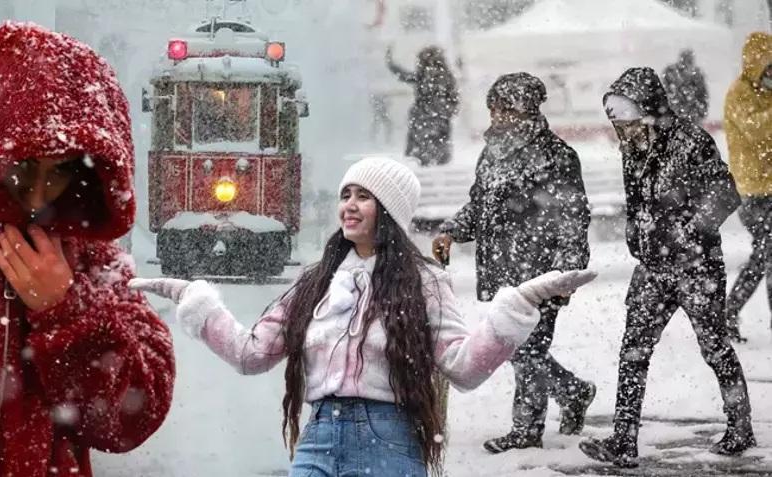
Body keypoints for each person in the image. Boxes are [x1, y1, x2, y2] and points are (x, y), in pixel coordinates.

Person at [131, 157, 596, 477]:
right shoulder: (317, 281)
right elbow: (251, 353)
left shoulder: (424, 281)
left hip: (388, 437)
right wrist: (193, 299)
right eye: (346, 194)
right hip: (317, 434)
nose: (349, 205)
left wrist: (518, 306)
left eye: (364, 196)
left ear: (389, 211)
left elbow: (465, 367)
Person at [0, 22, 175, 476]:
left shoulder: (89, 255)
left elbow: (134, 415)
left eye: (63, 170)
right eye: (22, 168)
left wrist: (67, 312)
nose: (38, 196)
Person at [579, 67, 754, 468]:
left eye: (630, 125)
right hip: (653, 268)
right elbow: (640, 201)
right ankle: (624, 442)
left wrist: (689, 228)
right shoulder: (634, 148)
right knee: (633, 352)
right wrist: (636, 232)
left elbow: (726, 194)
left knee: (714, 348)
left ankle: (740, 426)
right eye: (620, 128)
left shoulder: (691, 142)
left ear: (651, 112)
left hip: (697, 267)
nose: (625, 136)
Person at [431, 72, 595, 454]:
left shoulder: (556, 156)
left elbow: (573, 216)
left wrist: (566, 272)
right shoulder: (493, 153)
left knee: (528, 350)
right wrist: (452, 230)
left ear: (526, 110)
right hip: (502, 269)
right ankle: (574, 391)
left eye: (505, 108)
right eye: (494, 107)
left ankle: (527, 429)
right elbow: (480, 204)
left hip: (541, 271)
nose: (497, 115)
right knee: (518, 346)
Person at [723, 32, 772, 342]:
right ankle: (729, 310)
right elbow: (757, 130)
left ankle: (729, 311)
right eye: (769, 68)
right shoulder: (739, 94)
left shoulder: (767, 96)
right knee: (768, 254)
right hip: (754, 192)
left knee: (764, 255)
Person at [386, 46, 459, 166]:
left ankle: (425, 161)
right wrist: (448, 110)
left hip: (427, 118)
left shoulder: (428, 76)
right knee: (435, 151)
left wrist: (391, 64)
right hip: (434, 118)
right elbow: (454, 98)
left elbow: (404, 75)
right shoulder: (442, 76)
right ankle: (432, 162)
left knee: (423, 151)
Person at [662, 49, 709, 124]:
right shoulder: (671, 72)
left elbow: (703, 96)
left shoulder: (697, 75)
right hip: (680, 115)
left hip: (689, 116)